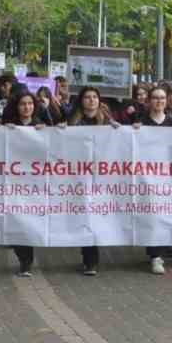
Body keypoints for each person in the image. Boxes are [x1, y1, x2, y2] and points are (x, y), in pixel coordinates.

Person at [0, 86, 41, 278]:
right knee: (18, 221)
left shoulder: (41, 125)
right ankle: (24, 261)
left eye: (29, 104)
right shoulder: (7, 126)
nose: (26, 107)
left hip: (34, 184)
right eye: (22, 104)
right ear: (16, 106)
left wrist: (49, 131)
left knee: (29, 221)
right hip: (12, 183)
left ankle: (27, 263)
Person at [65, 86, 118, 275]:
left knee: (94, 217)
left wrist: (126, 129)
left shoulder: (109, 123)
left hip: (102, 179)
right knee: (83, 216)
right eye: (87, 97)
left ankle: (91, 261)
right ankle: (88, 258)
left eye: (95, 97)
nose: (91, 100)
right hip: (78, 178)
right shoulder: (72, 122)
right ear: (81, 100)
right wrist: (60, 130)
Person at [135, 84, 172, 274]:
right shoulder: (141, 123)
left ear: (167, 102)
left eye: (162, 98)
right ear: (149, 101)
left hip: (168, 180)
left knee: (165, 213)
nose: (159, 101)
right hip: (146, 179)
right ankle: (155, 256)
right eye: (155, 98)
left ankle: (164, 250)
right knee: (152, 215)